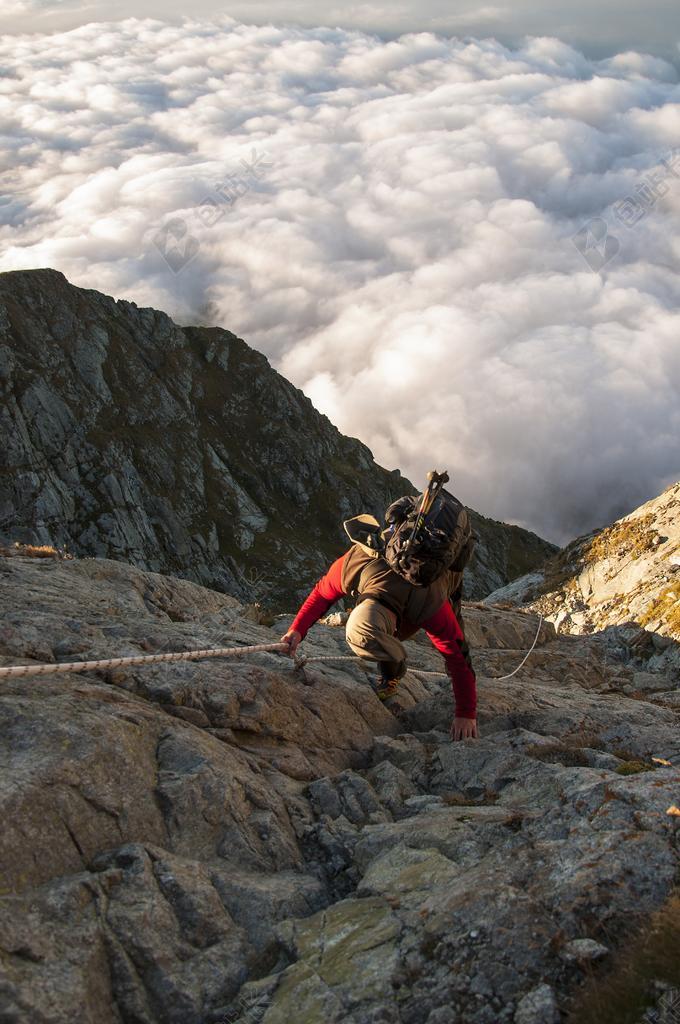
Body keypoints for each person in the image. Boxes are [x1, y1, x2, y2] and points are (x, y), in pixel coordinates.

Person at [281, 514, 478, 741]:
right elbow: (321, 595)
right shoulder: (354, 565)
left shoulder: (427, 601)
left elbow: (457, 654)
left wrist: (466, 713)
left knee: (454, 625)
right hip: (400, 557)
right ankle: (392, 662)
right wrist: (296, 630)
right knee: (374, 637)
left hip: (442, 570)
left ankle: (393, 666)